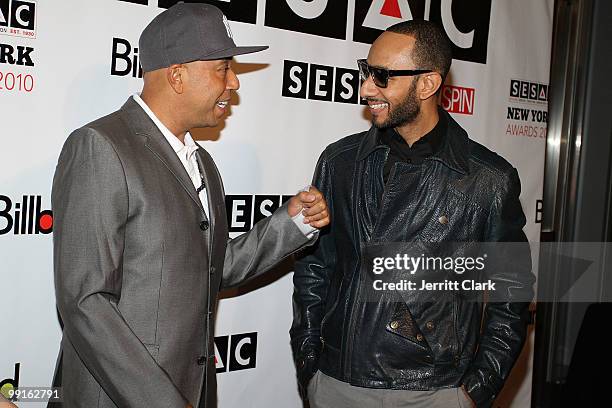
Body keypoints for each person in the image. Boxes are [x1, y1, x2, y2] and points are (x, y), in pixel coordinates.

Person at [50, 3, 329, 408]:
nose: (233, 82)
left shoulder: (202, 162)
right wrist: (161, 401)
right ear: (177, 75)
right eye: (223, 68)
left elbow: (211, 266)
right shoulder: (101, 146)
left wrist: (292, 222)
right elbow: (86, 301)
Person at [291, 20, 535, 408]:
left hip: (434, 389)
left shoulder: (487, 179)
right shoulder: (340, 162)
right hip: (339, 381)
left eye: (382, 76)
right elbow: (315, 268)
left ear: (427, 85)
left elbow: (512, 293)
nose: (365, 88)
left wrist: (474, 392)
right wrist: (310, 361)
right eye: (366, 72)